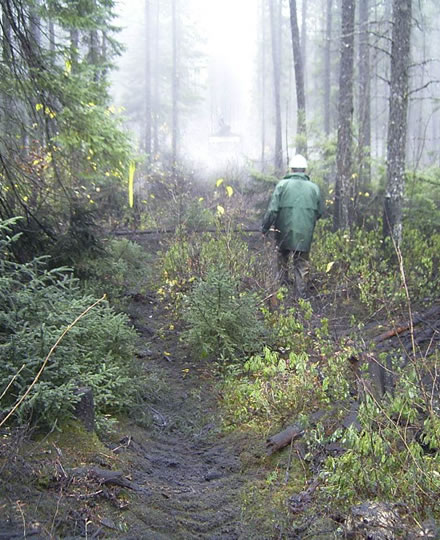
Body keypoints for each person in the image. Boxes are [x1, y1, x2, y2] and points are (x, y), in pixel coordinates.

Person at [262, 154, 323, 298]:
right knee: (301, 264)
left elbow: (272, 210)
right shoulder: (314, 188)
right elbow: (319, 212)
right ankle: (300, 298)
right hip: (304, 234)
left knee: (282, 260)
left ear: (291, 169)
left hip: (283, 232)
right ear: (305, 170)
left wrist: (265, 228)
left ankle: (281, 293)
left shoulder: (282, 185)